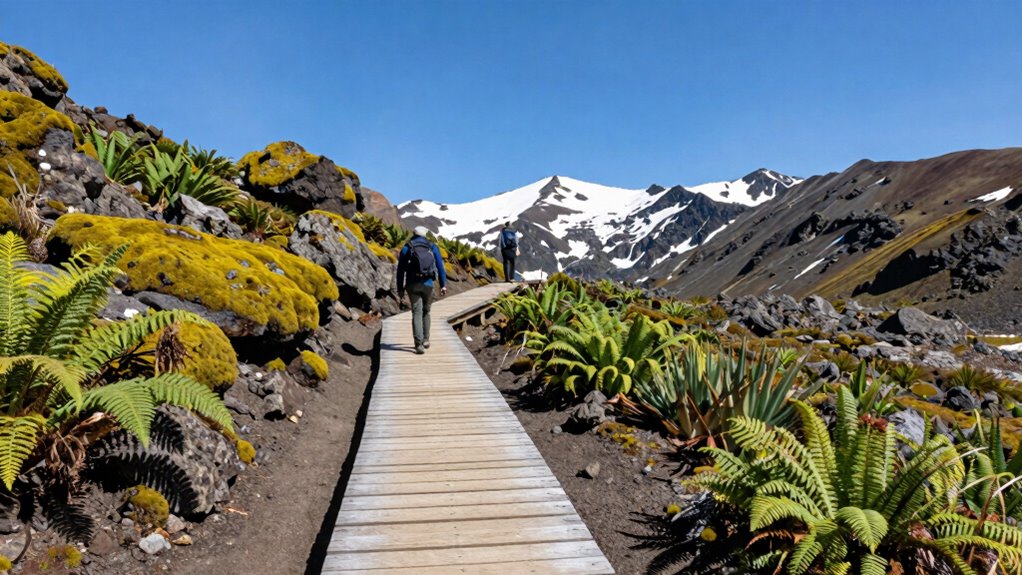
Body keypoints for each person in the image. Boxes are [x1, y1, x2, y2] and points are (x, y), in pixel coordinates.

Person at [396, 226, 447, 354]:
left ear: (414, 234)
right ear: (425, 235)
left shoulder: (407, 247)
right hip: (428, 283)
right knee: (426, 311)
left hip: (412, 284)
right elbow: (440, 266)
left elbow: (400, 270)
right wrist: (443, 284)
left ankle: (418, 345)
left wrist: (400, 288)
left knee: (416, 312)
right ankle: (426, 339)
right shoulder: (432, 246)